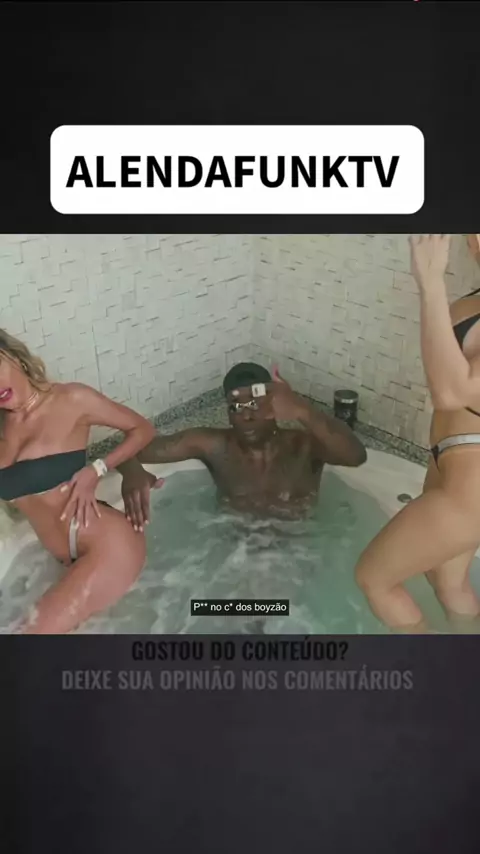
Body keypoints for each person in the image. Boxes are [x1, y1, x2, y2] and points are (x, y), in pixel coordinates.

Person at [355, 234, 480, 632]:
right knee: (446, 579)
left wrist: (430, 280)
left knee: (374, 579)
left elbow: (452, 392)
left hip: (472, 484)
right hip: (452, 460)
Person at [0, 329, 157, 634]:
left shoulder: (72, 399)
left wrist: (97, 469)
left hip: (107, 546)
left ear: (14, 356)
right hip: (65, 558)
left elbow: (142, 429)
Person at [118, 362, 367, 527]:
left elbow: (357, 456)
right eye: (236, 407)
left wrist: (302, 410)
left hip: (300, 560)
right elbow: (126, 449)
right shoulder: (213, 445)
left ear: (274, 405)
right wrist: (131, 472)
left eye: (255, 404)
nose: (246, 416)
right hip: (234, 561)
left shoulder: (304, 447)